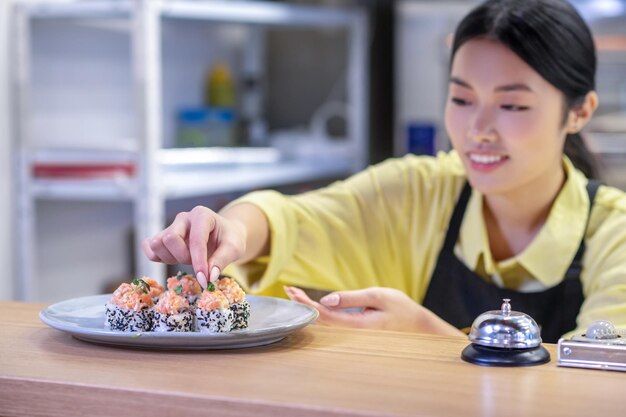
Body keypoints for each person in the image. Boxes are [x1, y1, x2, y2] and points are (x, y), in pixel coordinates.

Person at [143, 0, 626, 342]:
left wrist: (427, 337)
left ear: (580, 111)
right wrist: (230, 229)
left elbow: (595, 386)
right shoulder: (423, 190)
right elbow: (295, 219)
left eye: (513, 106)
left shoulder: (615, 234)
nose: (477, 130)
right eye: (460, 99)